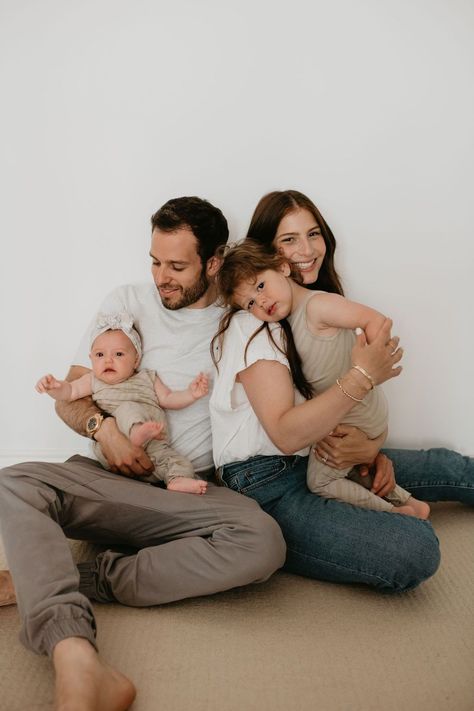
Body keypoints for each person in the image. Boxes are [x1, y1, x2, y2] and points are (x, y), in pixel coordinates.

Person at [0, 197, 286, 711]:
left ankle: (73, 579)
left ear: (214, 261)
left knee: (263, 540)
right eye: (155, 262)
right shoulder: (125, 303)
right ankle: (75, 655)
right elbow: (70, 394)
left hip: (187, 489)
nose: (162, 278)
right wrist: (101, 428)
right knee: (12, 482)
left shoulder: (241, 312)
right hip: (109, 481)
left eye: (177, 266)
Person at [209, 188, 474, 594]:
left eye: (313, 234)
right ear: (271, 253)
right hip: (267, 481)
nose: (306, 250)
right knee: (415, 549)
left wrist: (371, 448)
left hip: (316, 453)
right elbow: (286, 432)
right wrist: (363, 377)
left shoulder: (311, 310)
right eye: (289, 238)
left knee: (447, 466)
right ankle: (310, 533)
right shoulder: (253, 324)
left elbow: (347, 403)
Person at [213, 240, 430, 517]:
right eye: (251, 303)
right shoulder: (284, 324)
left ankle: (395, 513)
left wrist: (373, 369)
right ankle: (408, 502)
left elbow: (376, 320)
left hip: (357, 409)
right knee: (344, 465)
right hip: (347, 410)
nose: (262, 302)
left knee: (320, 481)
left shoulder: (317, 306)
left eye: (260, 286)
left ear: (282, 267)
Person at [36, 311, 210, 495]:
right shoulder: (93, 380)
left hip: (153, 444)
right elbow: (70, 392)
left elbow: (168, 399)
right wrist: (54, 387)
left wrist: (191, 394)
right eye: (100, 354)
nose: (108, 360)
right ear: (91, 359)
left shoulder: (147, 378)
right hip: (112, 446)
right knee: (129, 408)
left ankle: (177, 480)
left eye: (118, 354)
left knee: (178, 462)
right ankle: (136, 431)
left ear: (136, 360)